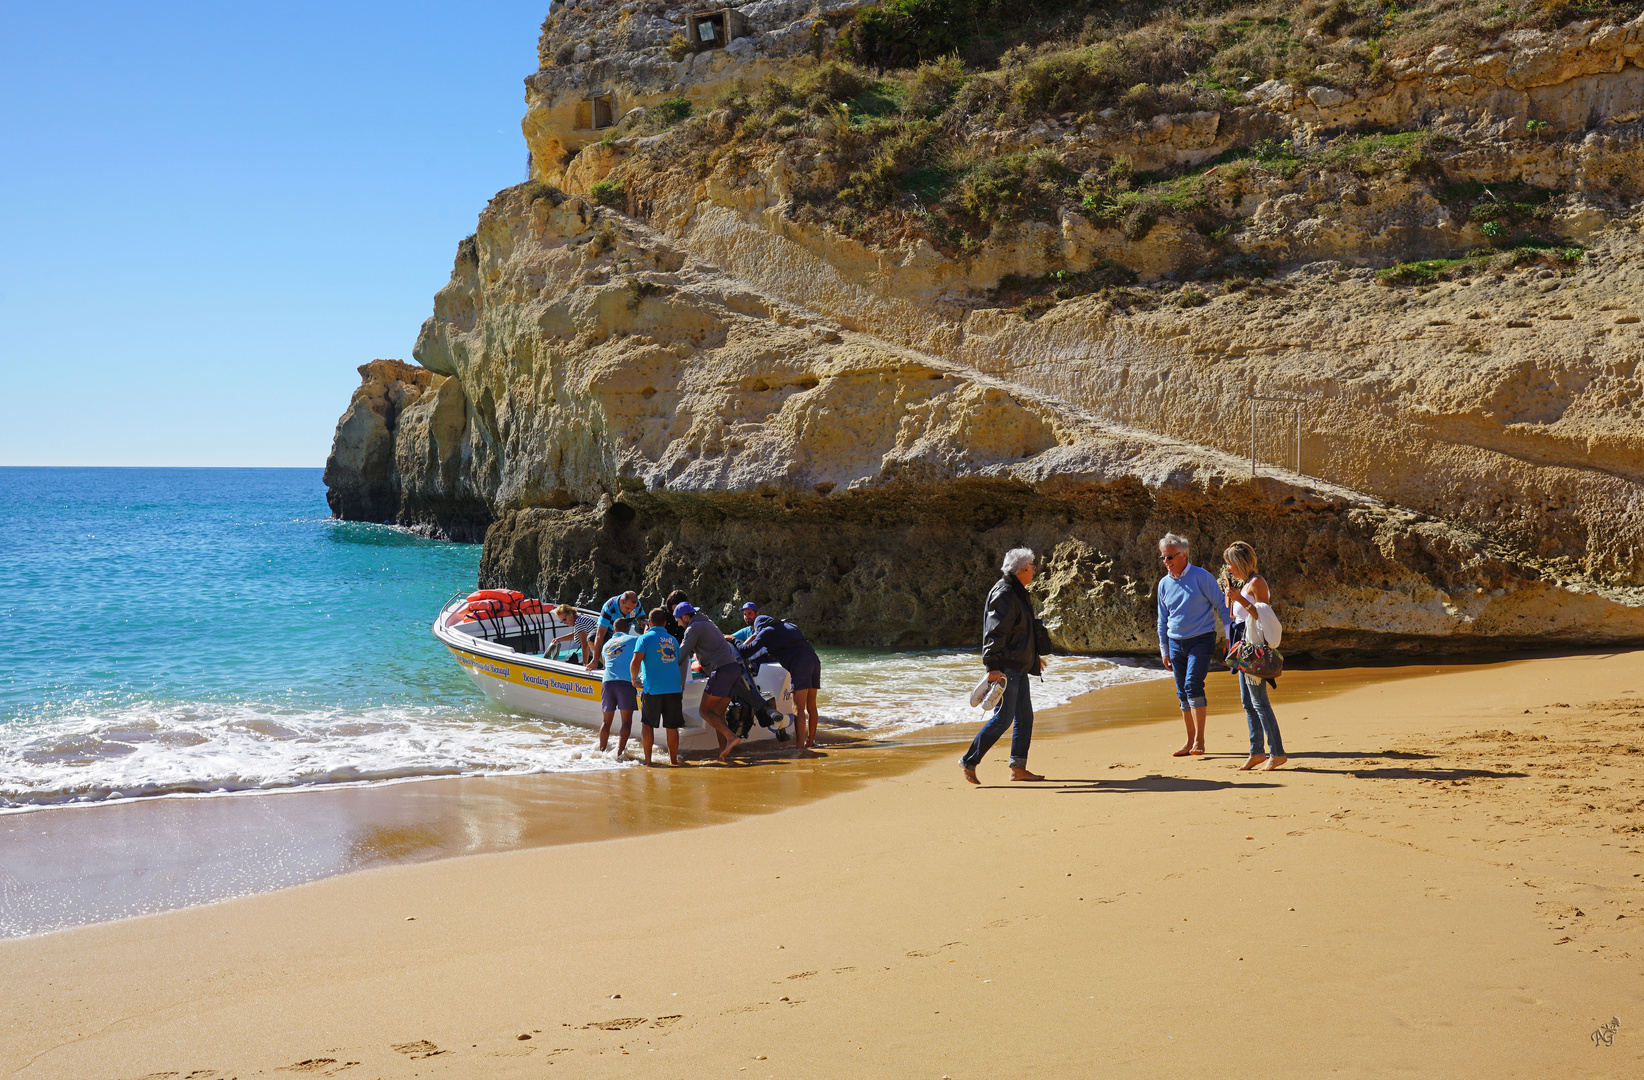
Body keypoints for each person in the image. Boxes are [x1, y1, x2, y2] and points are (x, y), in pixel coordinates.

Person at [961, 547, 1051, 784]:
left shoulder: (1016, 591)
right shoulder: (1006, 593)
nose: (1034, 571)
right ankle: (969, 760)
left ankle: (1018, 769)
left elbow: (1020, 631)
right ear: (1022, 569)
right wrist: (992, 667)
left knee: (1025, 717)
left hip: (1018, 665)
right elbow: (995, 632)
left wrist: (1033, 656)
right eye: (1032, 567)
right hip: (1007, 668)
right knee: (1004, 718)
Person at [1157, 533, 1231, 758]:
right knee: (1182, 693)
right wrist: (1164, 649)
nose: (1167, 562)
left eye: (1170, 557)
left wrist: (1229, 636)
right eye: (1163, 558)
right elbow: (1162, 619)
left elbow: (1222, 604)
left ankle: (1200, 739)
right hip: (1175, 642)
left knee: (1192, 685)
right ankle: (1189, 741)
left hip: (1202, 638)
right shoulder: (1164, 583)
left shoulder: (1201, 577)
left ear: (1184, 555)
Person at [1223, 541, 1286, 771]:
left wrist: (1240, 598)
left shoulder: (1257, 582)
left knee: (1259, 702)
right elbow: (1237, 615)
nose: (1228, 568)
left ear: (1240, 562)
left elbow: (1264, 614)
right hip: (1243, 646)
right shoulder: (1245, 583)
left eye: (1230, 564)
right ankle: (1256, 751)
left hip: (1254, 647)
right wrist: (1232, 597)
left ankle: (1277, 753)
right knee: (1248, 702)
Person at [738, 612, 822, 749]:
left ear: (759, 627)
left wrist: (734, 640)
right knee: (811, 706)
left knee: (798, 708)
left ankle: (800, 747)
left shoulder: (767, 631)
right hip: (814, 659)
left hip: (799, 663)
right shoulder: (790, 625)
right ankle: (810, 741)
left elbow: (746, 652)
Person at [674, 602, 743, 761]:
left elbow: (681, 655)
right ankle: (723, 753)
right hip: (734, 669)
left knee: (704, 711)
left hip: (722, 671)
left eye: (678, 620)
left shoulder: (693, 628)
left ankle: (731, 738)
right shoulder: (708, 622)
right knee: (718, 714)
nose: (678, 624)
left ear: (685, 617)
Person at [630, 607, 686, 766]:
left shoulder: (644, 639)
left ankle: (648, 762)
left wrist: (633, 679)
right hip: (674, 688)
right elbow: (675, 661)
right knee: (672, 726)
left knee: (647, 725)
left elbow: (635, 662)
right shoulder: (673, 640)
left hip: (652, 688)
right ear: (666, 623)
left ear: (648, 622)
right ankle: (673, 761)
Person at [597, 616, 641, 756]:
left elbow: (605, 664)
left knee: (605, 722)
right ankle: (618, 754)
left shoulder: (606, 644)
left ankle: (602, 752)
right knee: (626, 722)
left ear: (613, 630)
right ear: (628, 629)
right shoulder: (634, 640)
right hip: (625, 683)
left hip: (607, 683)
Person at [588, 590, 640, 671]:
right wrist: (595, 660)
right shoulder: (609, 607)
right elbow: (599, 635)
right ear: (621, 602)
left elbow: (642, 617)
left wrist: (642, 622)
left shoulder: (636, 605)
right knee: (591, 638)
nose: (630, 611)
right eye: (627, 608)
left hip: (623, 634)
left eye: (632, 609)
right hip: (607, 632)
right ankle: (605, 665)